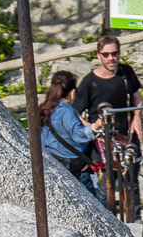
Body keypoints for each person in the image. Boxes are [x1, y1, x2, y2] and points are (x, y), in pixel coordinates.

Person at [75, 34, 143, 211]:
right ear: (98, 55)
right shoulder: (90, 82)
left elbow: (138, 99)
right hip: (102, 141)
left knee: (132, 183)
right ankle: (108, 222)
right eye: (106, 54)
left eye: (114, 53)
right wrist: (91, 130)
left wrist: (136, 118)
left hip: (127, 136)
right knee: (106, 186)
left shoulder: (126, 72)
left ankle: (135, 221)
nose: (111, 58)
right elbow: (75, 111)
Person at [39, 70, 101, 199]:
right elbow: (78, 135)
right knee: (93, 206)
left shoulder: (45, 108)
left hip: (52, 161)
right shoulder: (65, 111)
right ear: (72, 93)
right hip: (73, 167)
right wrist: (96, 127)